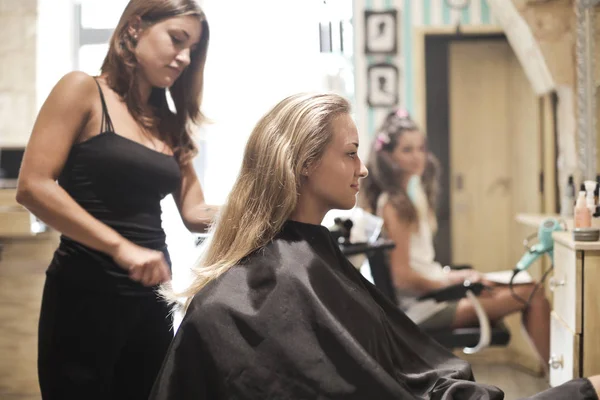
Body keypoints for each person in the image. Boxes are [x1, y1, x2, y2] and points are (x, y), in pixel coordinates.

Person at [148, 93, 599, 399]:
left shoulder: (295, 261)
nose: (362, 169)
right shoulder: (271, 284)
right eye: (350, 153)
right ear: (305, 163)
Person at [16, 1, 216, 398]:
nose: (184, 58)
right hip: (85, 296)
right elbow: (34, 186)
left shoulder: (170, 122)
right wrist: (121, 248)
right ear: (135, 27)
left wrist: (266, 205)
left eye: (192, 50)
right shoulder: (83, 90)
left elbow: (195, 213)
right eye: (177, 40)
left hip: (152, 297)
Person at [359, 108, 551, 373]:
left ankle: (560, 378)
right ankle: (563, 382)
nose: (418, 156)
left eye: (420, 148)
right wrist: (451, 280)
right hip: (420, 309)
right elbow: (402, 277)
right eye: (407, 150)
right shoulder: (395, 205)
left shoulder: (402, 199)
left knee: (526, 286)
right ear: (389, 156)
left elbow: (417, 266)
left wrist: (455, 276)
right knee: (532, 293)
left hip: (430, 296)